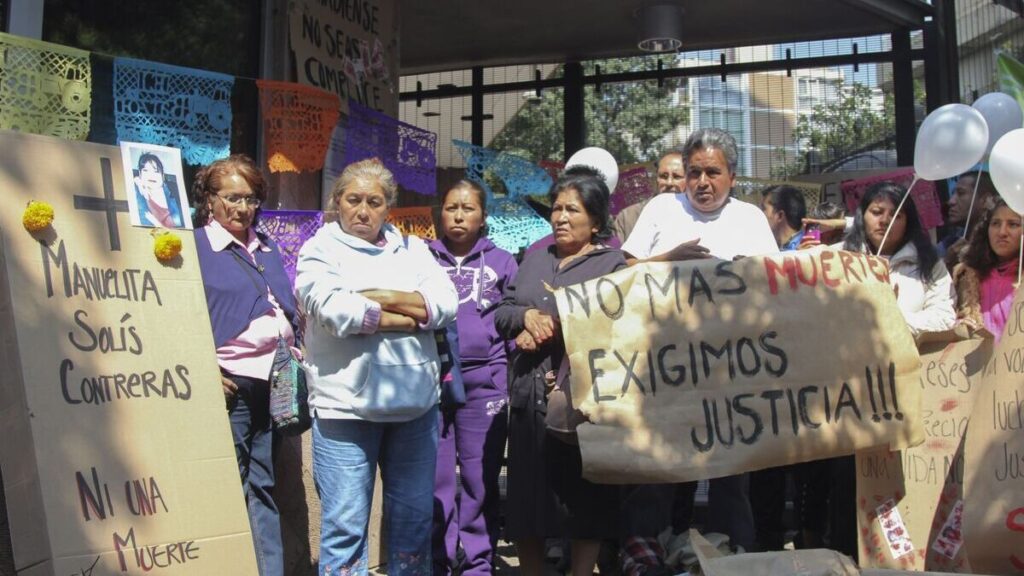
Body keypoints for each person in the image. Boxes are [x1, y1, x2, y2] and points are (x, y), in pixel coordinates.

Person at [617, 128, 776, 572]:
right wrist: (672, 257)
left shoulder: (750, 219)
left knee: (731, 469)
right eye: (694, 173)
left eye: (713, 172)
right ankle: (645, 555)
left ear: (733, 176)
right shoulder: (661, 209)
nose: (702, 182)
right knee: (657, 467)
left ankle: (733, 557)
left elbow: (774, 281)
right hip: (664, 363)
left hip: (732, 364)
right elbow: (625, 269)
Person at [295, 158, 459, 575]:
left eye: (375, 201)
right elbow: (335, 310)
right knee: (345, 528)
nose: (363, 210)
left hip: (415, 410)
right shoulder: (319, 250)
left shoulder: (414, 249)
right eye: (354, 200)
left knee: (412, 525)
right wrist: (406, 313)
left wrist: (378, 294)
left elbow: (445, 304)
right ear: (337, 202)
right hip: (344, 412)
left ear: (389, 208)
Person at [495, 166, 625, 576]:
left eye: (573, 209)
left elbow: (619, 325)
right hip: (528, 400)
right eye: (556, 209)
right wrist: (524, 317)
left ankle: (580, 572)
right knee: (527, 500)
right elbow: (502, 312)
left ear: (597, 221)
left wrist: (554, 329)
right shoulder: (534, 260)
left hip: (581, 402)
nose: (561, 217)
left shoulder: (614, 265)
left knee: (584, 500)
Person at [193, 154, 299, 576]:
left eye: (251, 198)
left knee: (263, 485)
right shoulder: (195, 246)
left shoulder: (267, 246)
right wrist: (204, 370)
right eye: (232, 198)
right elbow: (183, 314)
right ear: (210, 200)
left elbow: (282, 306)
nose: (242, 208)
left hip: (274, 383)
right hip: (230, 384)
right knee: (227, 487)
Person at [428, 180, 518, 576]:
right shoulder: (422, 259)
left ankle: (479, 564)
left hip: (487, 384)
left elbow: (515, 322)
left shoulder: (503, 262)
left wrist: (508, 379)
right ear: (440, 213)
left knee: (480, 479)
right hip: (433, 381)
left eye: (468, 208)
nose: (459, 215)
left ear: (483, 218)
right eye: (451, 208)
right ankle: (442, 561)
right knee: (438, 479)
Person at [842, 181, 956, 339]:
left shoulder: (929, 261)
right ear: (862, 216)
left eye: (896, 215)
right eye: (876, 212)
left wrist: (893, 317)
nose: (884, 221)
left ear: (908, 223)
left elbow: (945, 319)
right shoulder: (839, 257)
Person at [954, 198, 1022, 343]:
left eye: (1013, 224)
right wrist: (961, 329)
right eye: (995, 223)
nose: (1002, 232)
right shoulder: (968, 277)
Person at [612, 150, 686, 242]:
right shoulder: (629, 217)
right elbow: (616, 255)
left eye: (677, 177)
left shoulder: (698, 214)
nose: (669, 183)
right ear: (656, 178)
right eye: (663, 176)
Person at [940, 170, 996, 258]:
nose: (951, 201)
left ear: (985, 200)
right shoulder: (949, 244)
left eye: (961, 193)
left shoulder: (998, 247)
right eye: (953, 193)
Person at [134, 153, 185, 228]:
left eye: (156, 171)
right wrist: (137, 182)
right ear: (140, 174)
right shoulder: (139, 193)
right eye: (146, 170)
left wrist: (157, 223)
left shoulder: (174, 189)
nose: (151, 175)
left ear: (162, 175)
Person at [760, 184, 807, 251]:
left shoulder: (807, 250)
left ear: (780, 215)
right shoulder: (770, 247)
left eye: (763, 209)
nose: (759, 213)